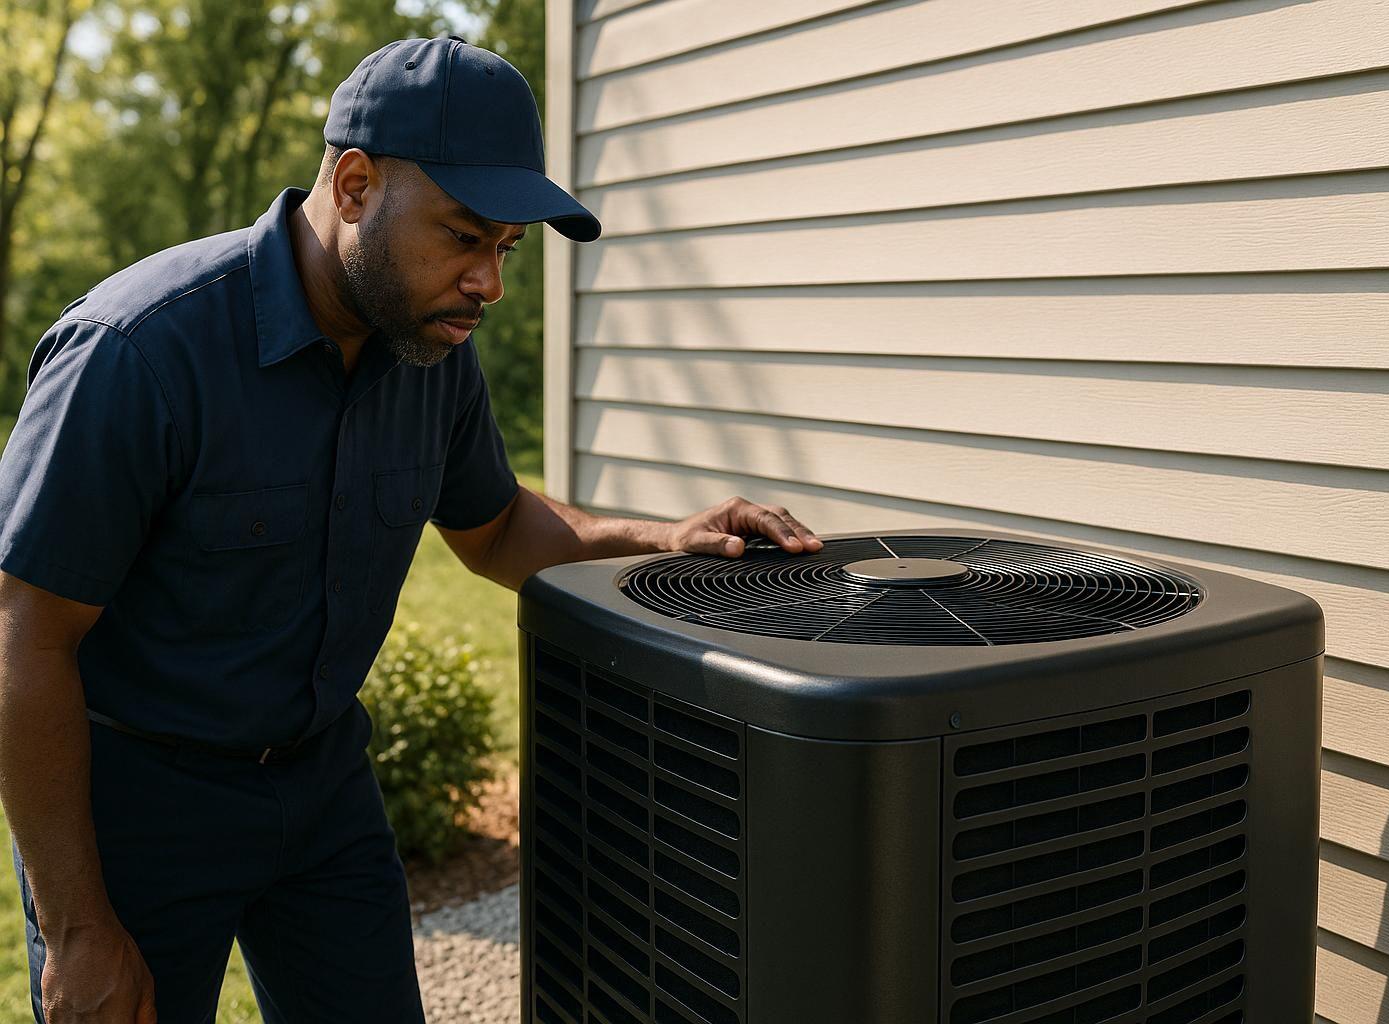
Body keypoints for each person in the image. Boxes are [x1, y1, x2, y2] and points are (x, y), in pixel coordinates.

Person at [0, 34, 822, 1024]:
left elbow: (498, 527)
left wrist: (665, 538)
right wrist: (78, 927)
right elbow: (23, 637)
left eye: (506, 249)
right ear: (355, 186)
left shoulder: (430, 353)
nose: (490, 284)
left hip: (323, 787)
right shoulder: (138, 352)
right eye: (464, 237)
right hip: (138, 806)